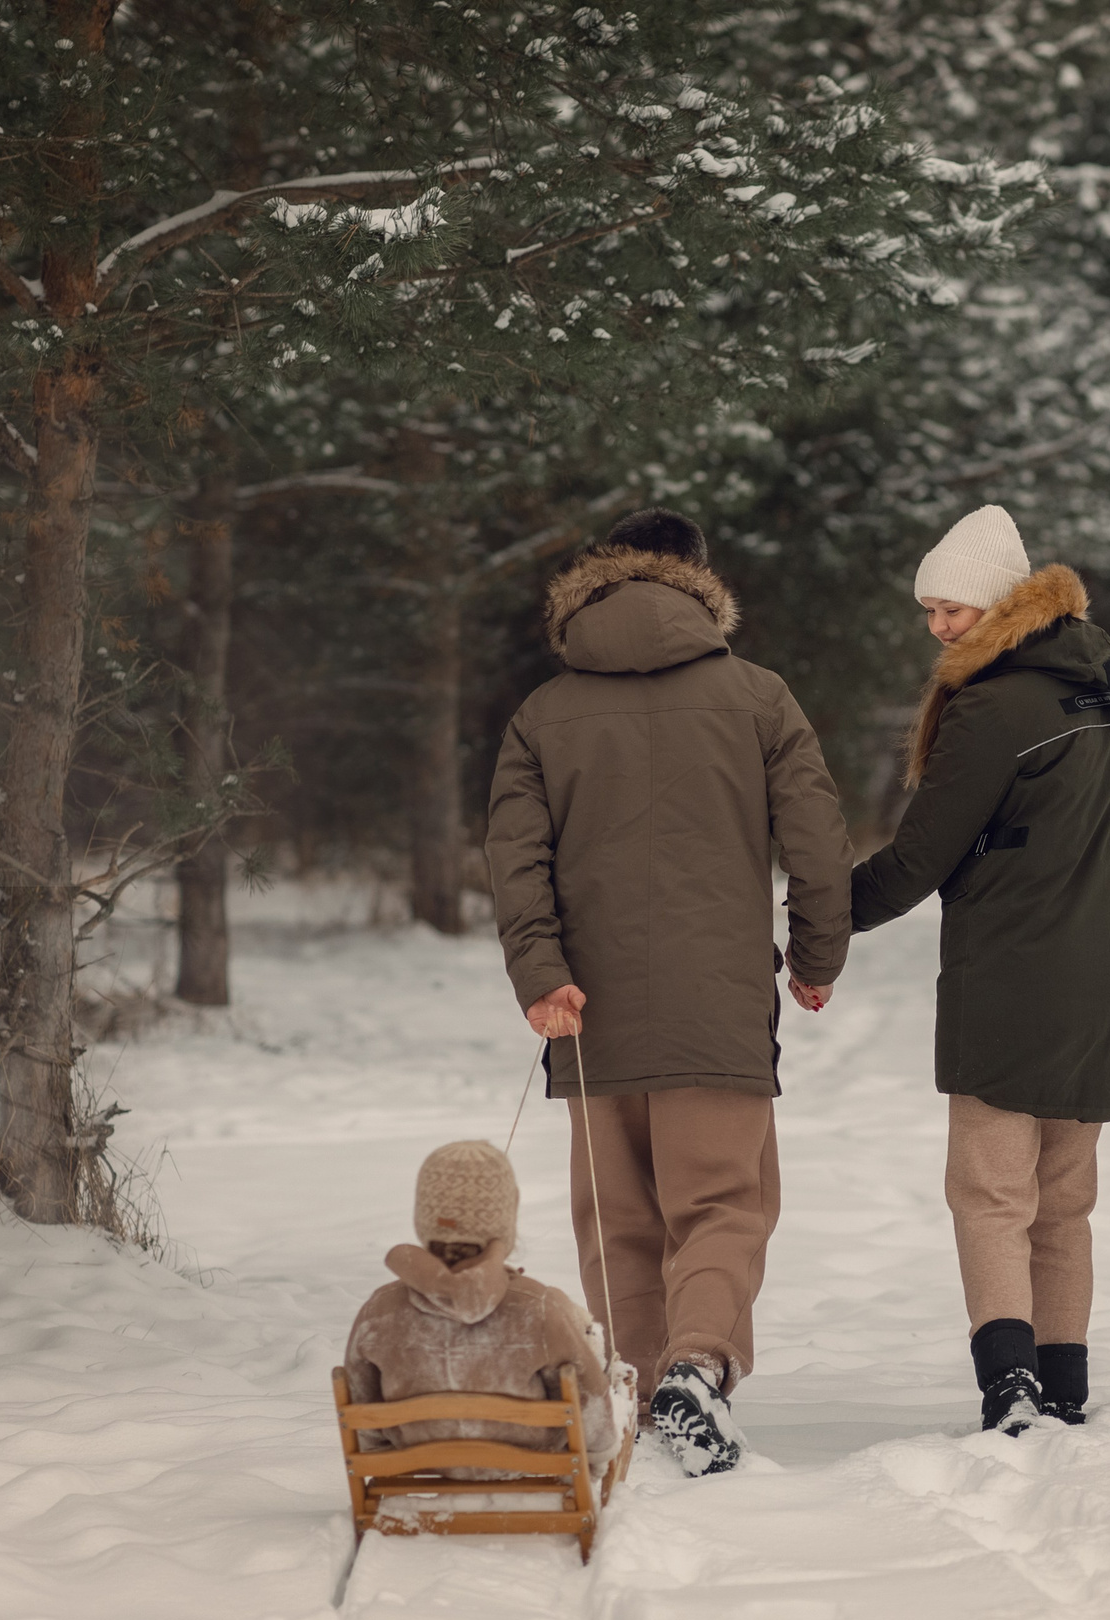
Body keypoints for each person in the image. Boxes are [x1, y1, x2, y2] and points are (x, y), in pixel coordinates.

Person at [484, 508, 852, 1475]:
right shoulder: (760, 697)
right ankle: (696, 1367)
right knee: (724, 1203)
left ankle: (644, 1398)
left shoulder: (542, 713)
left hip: (587, 1010)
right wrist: (816, 954)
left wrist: (540, 970)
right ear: (700, 583)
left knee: (617, 1216)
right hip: (718, 1004)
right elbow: (817, 846)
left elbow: (514, 857)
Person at [850, 504, 1110, 1434]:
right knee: (1066, 1199)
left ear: (1003, 601)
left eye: (952, 608)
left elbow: (918, 859)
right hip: (1107, 989)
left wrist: (820, 919)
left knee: (993, 1192)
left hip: (1007, 985)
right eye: (929, 610)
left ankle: (1010, 1387)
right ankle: (1064, 1384)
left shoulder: (993, 707)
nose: (938, 627)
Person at [343, 1140, 621, 1467]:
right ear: (504, 1220)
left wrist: (381, 1459)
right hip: (528, 1460)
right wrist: (599, 1456)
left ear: (424, 1217)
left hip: (419, 1459)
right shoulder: (538, 1305)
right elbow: (590, 1404)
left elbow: (361, 1402)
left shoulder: (379, 1310)